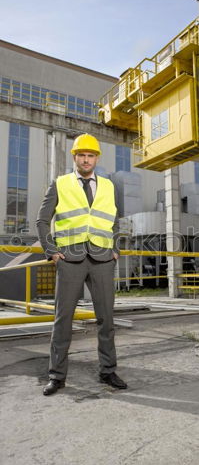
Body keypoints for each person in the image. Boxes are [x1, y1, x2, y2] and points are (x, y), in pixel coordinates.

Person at [36, 133, 127, 396]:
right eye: (81, 155)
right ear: (74, 157)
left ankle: (108, 371)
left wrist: (115, 249)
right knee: (62, 320)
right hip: (70, 259)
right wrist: (51, 251)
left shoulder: (109, 186)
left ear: (96, 158)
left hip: (102, 259)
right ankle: (56, 376)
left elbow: (114, 220)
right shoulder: (60, 183)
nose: (86, 160)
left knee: (106, 319)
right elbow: (42, 221)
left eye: (90, 155)